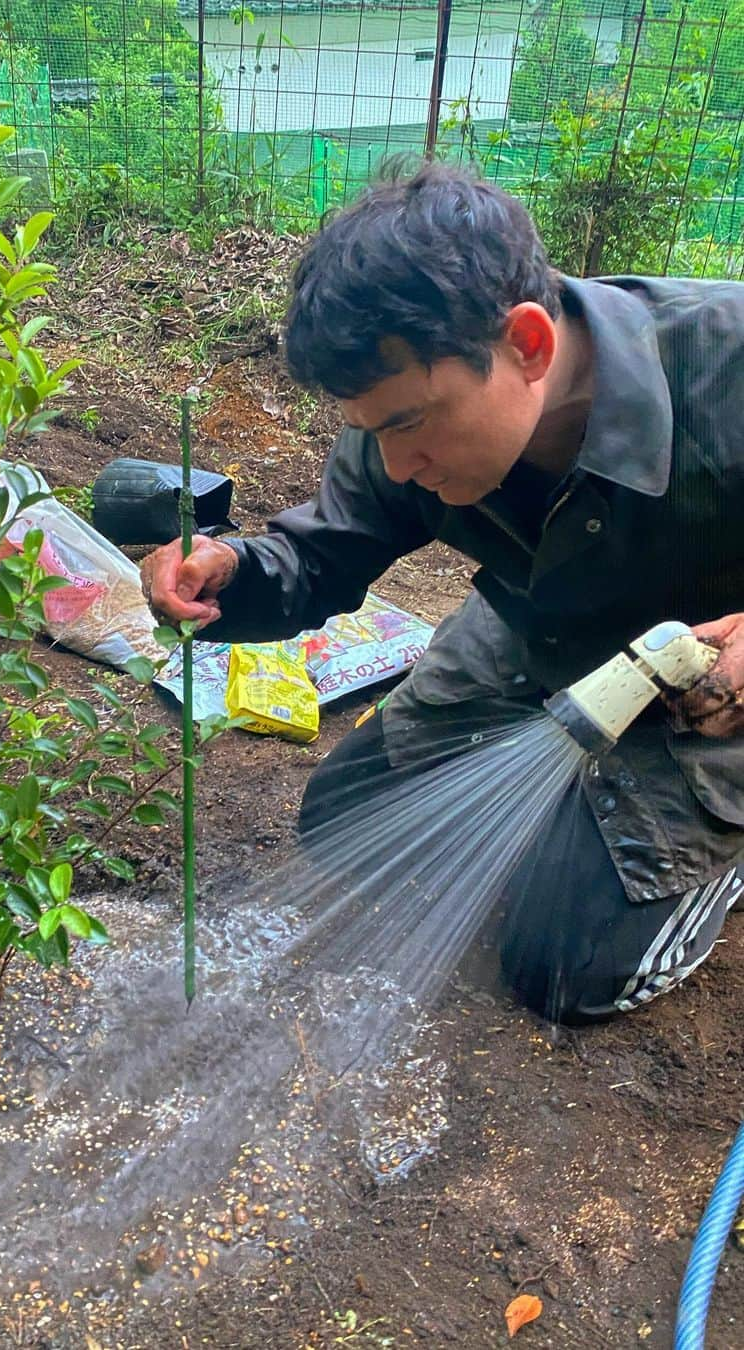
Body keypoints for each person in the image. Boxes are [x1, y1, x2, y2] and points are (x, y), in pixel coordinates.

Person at [140, 159, 744, 1025]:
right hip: (543, 630)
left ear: (526, 345)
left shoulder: (728, 369)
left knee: (567, 970)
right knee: (345, 821)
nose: (395, 468)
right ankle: (575, 813)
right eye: (369, 432)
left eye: (407, 426)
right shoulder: (404, 407)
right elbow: (319, 556)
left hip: (716, 691)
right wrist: (227, 573)